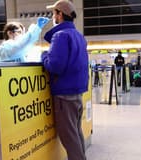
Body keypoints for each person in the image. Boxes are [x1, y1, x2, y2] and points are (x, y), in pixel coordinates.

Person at [41, 1, 88, 160]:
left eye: (54, 13)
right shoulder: (79, 36)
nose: (53, 16)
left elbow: (55, 66)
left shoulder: (60, 35)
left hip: (64, 95)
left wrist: (44, 56)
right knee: (76, 133)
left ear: (60, 14)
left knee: (69, 138)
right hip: (77, 92)